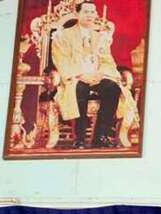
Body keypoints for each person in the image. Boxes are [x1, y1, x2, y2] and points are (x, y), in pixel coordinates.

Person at [51, 1, 123, 148]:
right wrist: (80, 75)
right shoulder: (63, 35)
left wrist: (101, 74)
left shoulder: (100, 37)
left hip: (97, 76)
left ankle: (100, 136)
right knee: (80, 89)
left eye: (92, 12)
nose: (90, 15)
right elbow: (61, 59)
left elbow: (106, 59)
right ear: (77, 14)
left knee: (112, 87)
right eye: (86, 12)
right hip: (75, 78)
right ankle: (80, 138)